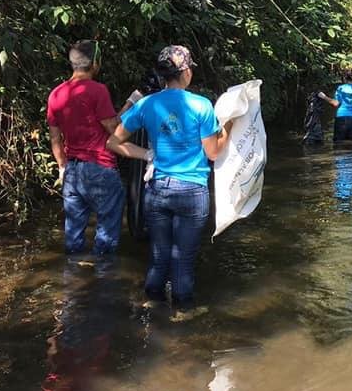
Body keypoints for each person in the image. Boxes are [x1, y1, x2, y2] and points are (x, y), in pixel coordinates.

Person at [106, 45, 232, 313]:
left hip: (158, 190)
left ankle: (152, 303)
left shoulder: (146, 104)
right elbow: (213, 152)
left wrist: (147, 154)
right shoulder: (201, 105)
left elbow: (113, 142)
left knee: (158, 255)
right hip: (192, 191)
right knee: (183, 259)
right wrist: (228, 129)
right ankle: (184, 312)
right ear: (185, 71)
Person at [47, 39, 133, 256]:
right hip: (100, 168)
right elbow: (113, 127)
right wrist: (130, 105)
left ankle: (72, 284)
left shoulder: (56, 94)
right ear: (95, 62)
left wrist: (62, 167)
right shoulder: (97, 90)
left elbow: (55, 138)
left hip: (72, 171)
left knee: (73, 237)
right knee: (106, 237)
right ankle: (103, 283)